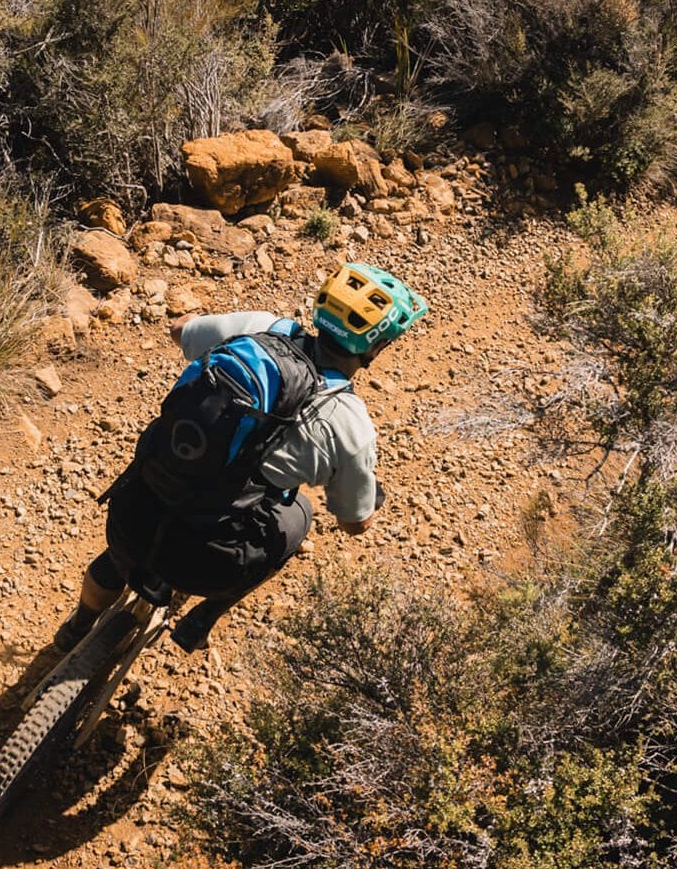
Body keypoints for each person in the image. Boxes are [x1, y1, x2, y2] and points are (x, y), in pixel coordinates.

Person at [52, 262, 424, 654]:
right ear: (377, 347)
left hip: (133, 513)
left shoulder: (262, 328)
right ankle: (203, 616)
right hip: (207, 564)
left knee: (120, 555)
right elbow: (354, 524)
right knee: (300, 515)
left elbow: (179, 331)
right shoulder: (349, 424)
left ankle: (76, 627)